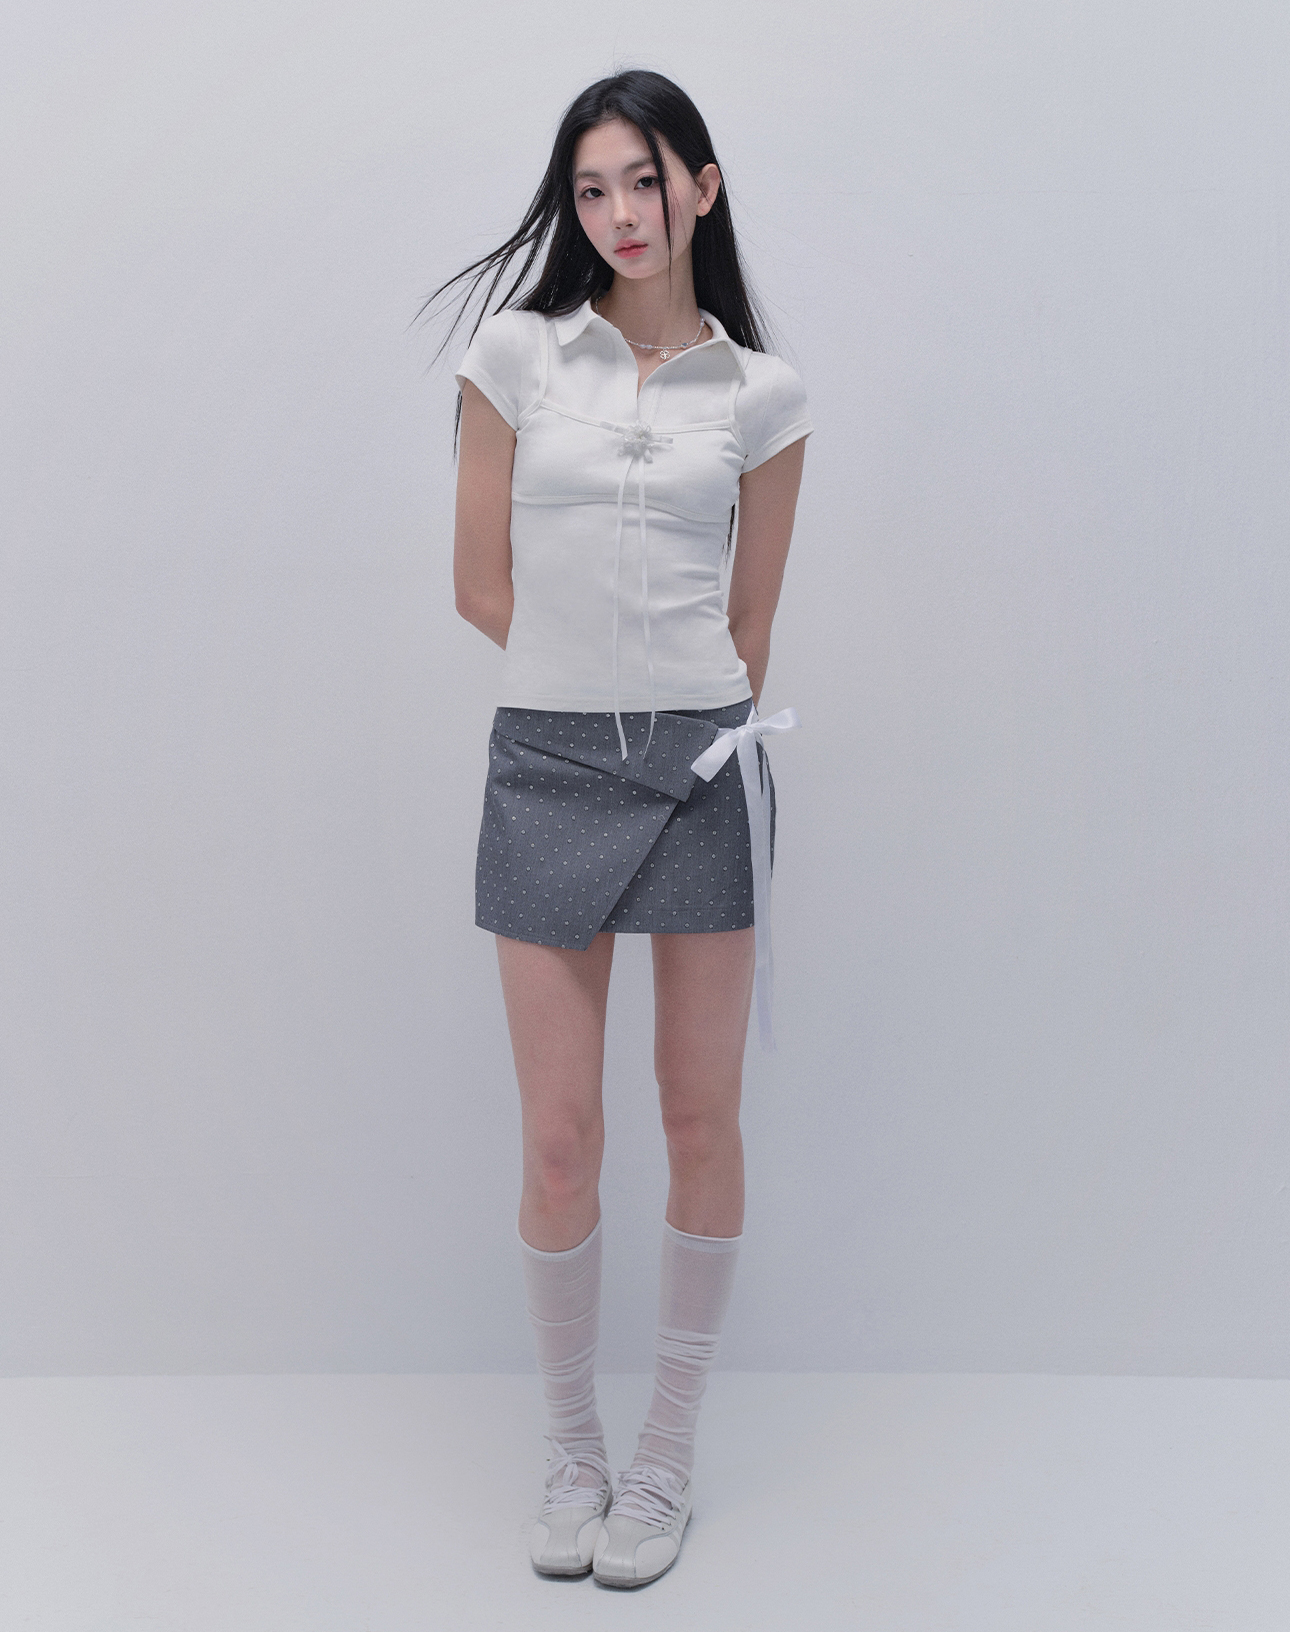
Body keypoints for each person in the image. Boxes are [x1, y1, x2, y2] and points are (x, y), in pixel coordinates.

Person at [426, 69, 811, 1589]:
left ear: (701, 187)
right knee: (560, 1138)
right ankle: (574, 1448)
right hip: (547, 760)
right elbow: (478, 585)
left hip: (706, 766)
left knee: (700, 1120)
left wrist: (676, 712)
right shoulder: (516, 355)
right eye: (590, 190)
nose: (618, 215)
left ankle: (664, 1457)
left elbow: (752, 624)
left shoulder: (764, 396)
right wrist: (590, 698)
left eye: (643, 181)